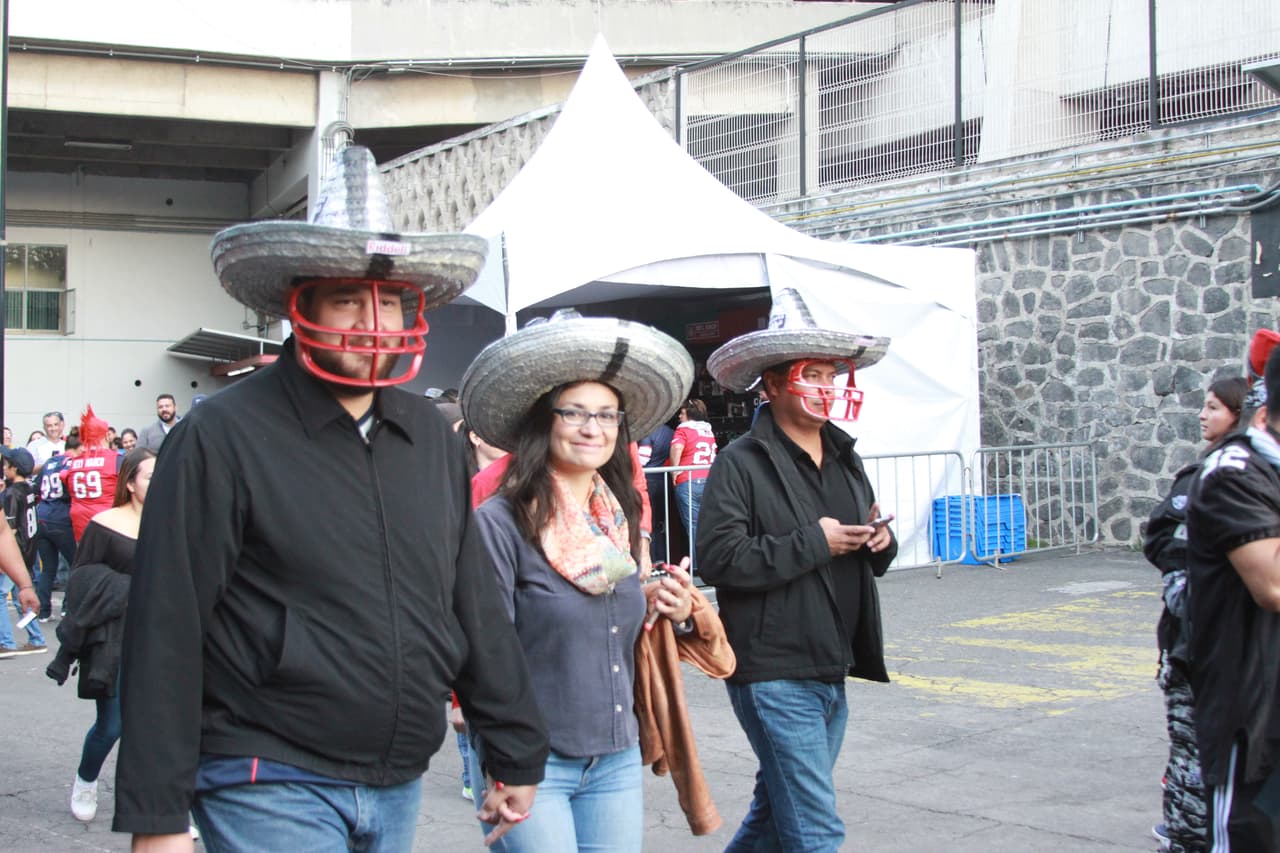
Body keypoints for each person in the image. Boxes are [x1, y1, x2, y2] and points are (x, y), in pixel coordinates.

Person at [112, 142, 548, 851]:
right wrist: (157, 814)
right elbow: (167, 620)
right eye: (347, 298)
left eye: (389, 300)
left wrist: (515, 747)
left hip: (398, 773)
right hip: (265, 766)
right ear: (301, 303)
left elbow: (469, 602)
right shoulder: (222, 435)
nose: (372, 320)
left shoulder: (430, 437)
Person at [459, 309, 731, 850]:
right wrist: (510, 764)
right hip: (532, 762)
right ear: (543, 422)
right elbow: (483, 657)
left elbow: (606, 617)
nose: (593, 428)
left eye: (607, 415)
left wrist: (664, 605)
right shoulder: (499, 524)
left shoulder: (613, 519)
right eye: (575, 413)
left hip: (615, 756)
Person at [696, 287, 896, 853]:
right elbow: (719, 558)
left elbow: (867, 539)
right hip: (773, 670)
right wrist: (815, 542)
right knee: (815, 828)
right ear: (775, 383)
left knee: (774, 816)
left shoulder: (845, 455)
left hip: (832, 660)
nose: (827, 388)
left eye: (832, 376)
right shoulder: (739, 463)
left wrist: (880, 541)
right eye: (813, 375)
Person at [1145, 374, 1248, 853]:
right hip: (1195, 648)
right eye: (1204, 406)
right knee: (1194, 754)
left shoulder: (1242, 474)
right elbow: (1165, 542)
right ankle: (1186, 835)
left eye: (1214, 407)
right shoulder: (1204, 477)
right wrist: (1193, 598)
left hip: (1237, 651)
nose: (1203, 415)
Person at [1185, 338, 1280, 853]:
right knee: (1252, 833)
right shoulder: (1235, 473)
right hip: (1254, 706)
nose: (1203, 416)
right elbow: (1273, 586)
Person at [54, 447, 156, 823]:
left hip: (159, 636)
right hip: (112, 637)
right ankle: (86, 780)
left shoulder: (171, 521)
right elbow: (81, 579)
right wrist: (129, 588)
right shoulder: (105, 523)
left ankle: (162, 806)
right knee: (112, 725)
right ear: (130, 483)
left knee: (160, 726)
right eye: (150, 476)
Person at [0, 446, 48, 656]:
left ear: (14, 468)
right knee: (22, 596)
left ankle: (7, 642)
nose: (4, 468)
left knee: (4, 594)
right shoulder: (29, 489)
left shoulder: (12, 494)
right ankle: (36, 638)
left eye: (6, 465)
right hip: (28, 550)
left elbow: (7, 528)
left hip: (14, 552)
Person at [32, 436, 80, 620]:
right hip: (61, 517)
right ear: (77, 449)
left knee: (48, 568)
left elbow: (36, 487)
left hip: (42, 516)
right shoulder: (72, 463)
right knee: (75, 563)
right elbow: (72, 489)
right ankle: (67, 608)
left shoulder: (50, 461)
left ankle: (43, 612)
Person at [667, 398, 717, 570]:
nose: (679, 417)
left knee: (693, 526)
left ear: (688, 414)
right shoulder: (708, 431)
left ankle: (697, 568)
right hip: (708, 481)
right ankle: (711, 564)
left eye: (682, 413)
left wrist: (674, 470)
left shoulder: (683, 429)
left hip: (688, 481)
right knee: (708, 525)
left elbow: (677, 448)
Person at [60, 408, 121, 542]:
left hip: (80, 526)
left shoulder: (73, 462)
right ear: (107, 436)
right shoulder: (116, 459)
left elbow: (63, 477)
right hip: (108, 523)